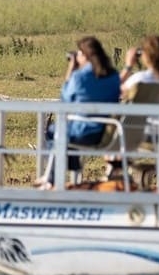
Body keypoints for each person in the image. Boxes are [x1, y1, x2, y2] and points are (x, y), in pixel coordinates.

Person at [37, 35, 122, 187]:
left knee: (53, 131)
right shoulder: (114, 76)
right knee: (62, 133)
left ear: (85, 56)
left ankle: (52, 178)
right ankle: (65, 171)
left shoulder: (80, 76)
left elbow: (65, 101)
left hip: (84, 130)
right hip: (108, 131)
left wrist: (71, 69)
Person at [120, 34, 159, 103]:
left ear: (146, 56)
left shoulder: (140, 78)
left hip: (142, 113)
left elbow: (114, 90)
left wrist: (128, 66)